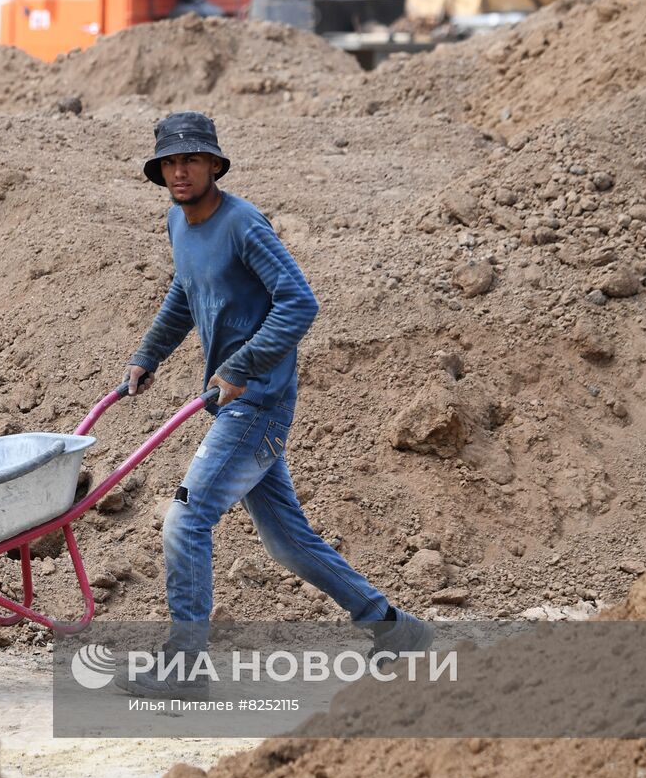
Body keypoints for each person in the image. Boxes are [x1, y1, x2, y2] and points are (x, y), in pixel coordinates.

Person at [116, 111, 433, 699]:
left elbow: (299, 302)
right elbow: (186, 293)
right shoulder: (178, 224)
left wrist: (242, 364)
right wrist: (148, 354)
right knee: (287, 541)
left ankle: (184, 666)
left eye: (191, 159)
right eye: (170, 161)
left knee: (185, 519)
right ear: (159, 171)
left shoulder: (243, 226)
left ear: (214, 164)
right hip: (232, 402)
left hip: (256, 401)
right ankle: (394, 629)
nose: (179, 171)